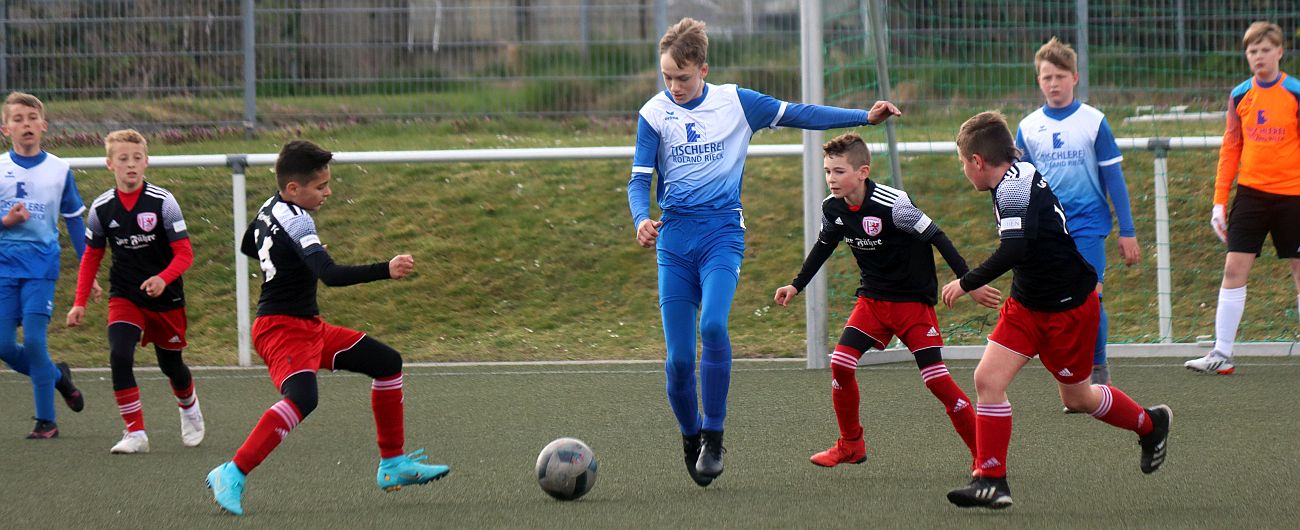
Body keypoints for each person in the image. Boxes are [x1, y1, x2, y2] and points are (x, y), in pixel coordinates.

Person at [627, 17, 900, 486]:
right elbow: (639, 179)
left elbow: (801, 113)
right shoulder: (654, 113)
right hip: (673, 243)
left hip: (721, 236)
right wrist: (640, 220)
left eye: (683, 77)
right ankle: (690, 435)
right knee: (676, 361)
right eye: (667, 77)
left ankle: (714, 435)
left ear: (703, 69)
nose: (674, 86)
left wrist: (863, 117)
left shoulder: (737, 103)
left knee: (712, 324)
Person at [941, 111, 1171, 509]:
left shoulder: (1012, 187)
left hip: (1068, 310)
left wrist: (966, 282)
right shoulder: (1016, 171)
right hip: (1028, 305)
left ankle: (1151, 425)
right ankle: (992, 479)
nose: (963, 171)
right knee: (987, 379)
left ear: (978, 161)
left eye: (963, 163)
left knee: (1079, 398)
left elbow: (1015, 250)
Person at [206, 140, 449, 515]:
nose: (328, 192)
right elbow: (330, 276)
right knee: (303, 399)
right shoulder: (298, 218)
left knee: (387, 363)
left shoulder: (270, 206)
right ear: (294, 188)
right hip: (281, 330)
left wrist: (286, 258)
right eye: (320, 186)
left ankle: (394, 464)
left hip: (308, 327)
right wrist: (387, 268)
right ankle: (231, 472)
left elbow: (248, 245)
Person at [773, 132, 1000, 469]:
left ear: (862, 171)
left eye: (838, 171)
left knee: (937, 380)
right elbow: (824, 245)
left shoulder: (894, 204)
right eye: (827, 171)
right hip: (873, 301)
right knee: (841, 363)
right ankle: (851, 445)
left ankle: (984, 458)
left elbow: (937, 235)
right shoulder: (832, 208)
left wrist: (969, 282)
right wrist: (796, 285)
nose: (831, 179)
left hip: (912, 304)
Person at [67, 129, 204, 454]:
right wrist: (79, 302)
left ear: (147, 162)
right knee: (119, 356)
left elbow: (185, 253)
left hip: (166, 297)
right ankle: (135, 433)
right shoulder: (101, 208)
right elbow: (92, 257)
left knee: (171, 365)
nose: (131, 164)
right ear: (109, 164)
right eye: (123, 159)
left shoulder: (163, 202)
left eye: (137, 158)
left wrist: (163, 278)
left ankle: (190, 409)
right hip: (125, 295)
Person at [1015, 37, 1139, 386]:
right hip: (1047, 230)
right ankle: (1070, 373)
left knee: (1089, 298)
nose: (1053, 84)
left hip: (1087, 225)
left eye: (1060, 76)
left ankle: (1098, 369)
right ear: (1038, 81)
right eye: (1046, 78)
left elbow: (1114, 179)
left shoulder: (1094, 122)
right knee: (1055, 303)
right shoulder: (1027, 128)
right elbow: (1020, 183)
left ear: (1075, 77)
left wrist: (1126, 231)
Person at [1186, 21, 1300, 375]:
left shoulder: (1295, 92)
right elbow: (1231, 147)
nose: (1259, 57)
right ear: (1246, 56)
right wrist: (1219, 201)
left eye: (1266, 50)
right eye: (1253, 51)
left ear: (1280, 51)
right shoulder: (1239, 95)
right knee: (1234, 269)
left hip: (1293, 196)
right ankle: (1222, 354)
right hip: (1250, 196)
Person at [0, 91, 91, 439]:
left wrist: (88, 268)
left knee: (35, 343)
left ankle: (46, 421)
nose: (25, 125)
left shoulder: (59, 170)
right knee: (4, 346)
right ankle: (59, 378)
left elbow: (73, 222)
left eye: (31, 119)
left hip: (40, 269)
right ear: (5, 128)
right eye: (17, 119)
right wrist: (6, 221)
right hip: (4, 270)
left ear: (44, 126)